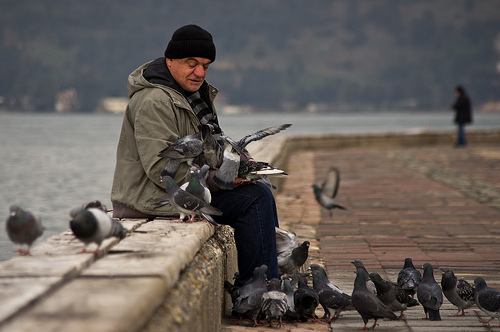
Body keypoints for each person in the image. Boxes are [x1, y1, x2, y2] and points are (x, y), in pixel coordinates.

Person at [110, 24, 279, 286]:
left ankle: (267, 284)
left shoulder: (190, 96)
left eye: (206, 65)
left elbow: (209, 150)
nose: (200, 72)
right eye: (192, 63)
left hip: (184, 191)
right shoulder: (155, 100)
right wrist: (219, 180)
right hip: (153, 199)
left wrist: (239, 164)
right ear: (170, 60)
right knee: (254, 200)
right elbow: (161, 167)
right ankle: (258, 290)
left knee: (262, 190)